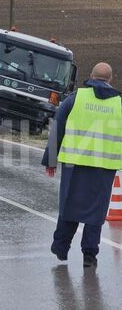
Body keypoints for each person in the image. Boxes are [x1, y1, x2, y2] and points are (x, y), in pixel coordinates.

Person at [42, 62, 122, 268]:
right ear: (110, 79)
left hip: (74, 164)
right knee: (96, 212)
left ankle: (60, 248)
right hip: (104, 167)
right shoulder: (119, 104)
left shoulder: (75, 98)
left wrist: (50, 161)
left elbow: (57, 127)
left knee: (69, 205)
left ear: (91, 76)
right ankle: (89, 255)